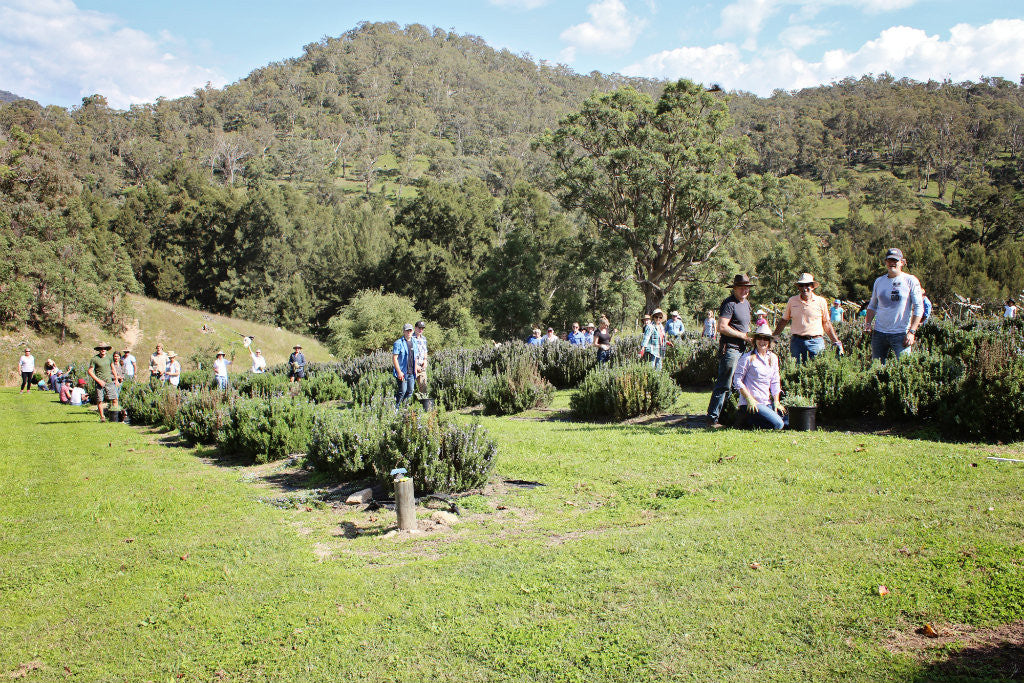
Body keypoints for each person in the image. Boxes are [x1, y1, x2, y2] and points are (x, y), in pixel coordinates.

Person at [706, 275, 755, 428]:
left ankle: (728, 417)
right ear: (734, 288)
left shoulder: (746, 304)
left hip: (742, 349)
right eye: (741, 287)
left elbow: (746, 326)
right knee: (724, 384)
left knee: (738, 383)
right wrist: (743, 336)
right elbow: (722, 327)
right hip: (731, 349)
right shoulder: (729, 304)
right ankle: (712, 419)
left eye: (746, 287)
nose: (744, 290)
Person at [864, 248, 924, 363]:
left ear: (902, 262)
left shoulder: (910, 280)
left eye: (895, 261)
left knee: (904, 367)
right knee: (877, 368)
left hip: (901, 334)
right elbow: (872, 306)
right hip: (879, 333)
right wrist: (867, 324)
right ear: (886, 262)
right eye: (889, 260)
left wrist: (912, 332)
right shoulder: (879, 281)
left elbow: (919, 307)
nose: (892, 263)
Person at [772, 273, 843, 362]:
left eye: (807, 285)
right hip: (797, 342)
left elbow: (826, 323)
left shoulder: (821, 301)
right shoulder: (792, 301)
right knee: (795, 370)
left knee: (817, 368)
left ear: (812, 286)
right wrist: (773, 337)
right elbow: (784, 320)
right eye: (801, 285)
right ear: (798, 287)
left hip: (816, 342)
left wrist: (836, 342)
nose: (804, 288)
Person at [87, 342, 118, 422]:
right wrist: (98, 380)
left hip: (109, 381)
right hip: (99, 383)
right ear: (99, 350)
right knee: (100, 400)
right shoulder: (94, 359)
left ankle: (114, 417)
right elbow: (90, 371)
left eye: (104, 348)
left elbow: (113, 368)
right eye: (101, 348)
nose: (103, 350)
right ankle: (102, 417)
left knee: (114, 399)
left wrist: (116, 379)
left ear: (106, 349)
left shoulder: (109, 357)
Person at [392, 323, 417, 407]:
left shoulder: (414, 342)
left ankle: (404, 407)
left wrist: (416, 369)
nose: (409, 332)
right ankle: (396, 408)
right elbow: (395, 358)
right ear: (404, 332)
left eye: (410, 330)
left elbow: (415, 357)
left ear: (412, 331)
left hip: (411, 372)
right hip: (403, 372)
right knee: (402, 391)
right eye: (407, 330)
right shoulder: (398, 343)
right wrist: (399, 372)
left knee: (410, 391)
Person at [413, 320, 429, 395]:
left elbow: (425, 351)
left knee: (423, 388)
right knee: (410, 388)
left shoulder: (424, 339)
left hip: (422, 367)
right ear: (415, 328)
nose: (421, 330)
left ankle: (422, 404)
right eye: (419, 328)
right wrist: (416, 366)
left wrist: (425, 360)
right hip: (413, 367)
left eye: (422, 328)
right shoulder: (411, 338)